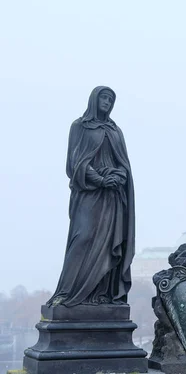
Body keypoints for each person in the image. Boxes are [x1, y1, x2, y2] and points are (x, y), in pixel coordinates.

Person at [47, 86, 135, 307]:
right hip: (89, 192)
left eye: (110, 99)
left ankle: (100, 296)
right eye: (103, 98)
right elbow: (75, 163)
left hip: (112, 198)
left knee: (107, 246)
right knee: (83, 237)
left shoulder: (115, 131)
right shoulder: (80, 127)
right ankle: (66, 293)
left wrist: (118, 177)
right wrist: (100, 179)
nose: (107, 102)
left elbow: (123, 165)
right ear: (94, 100)